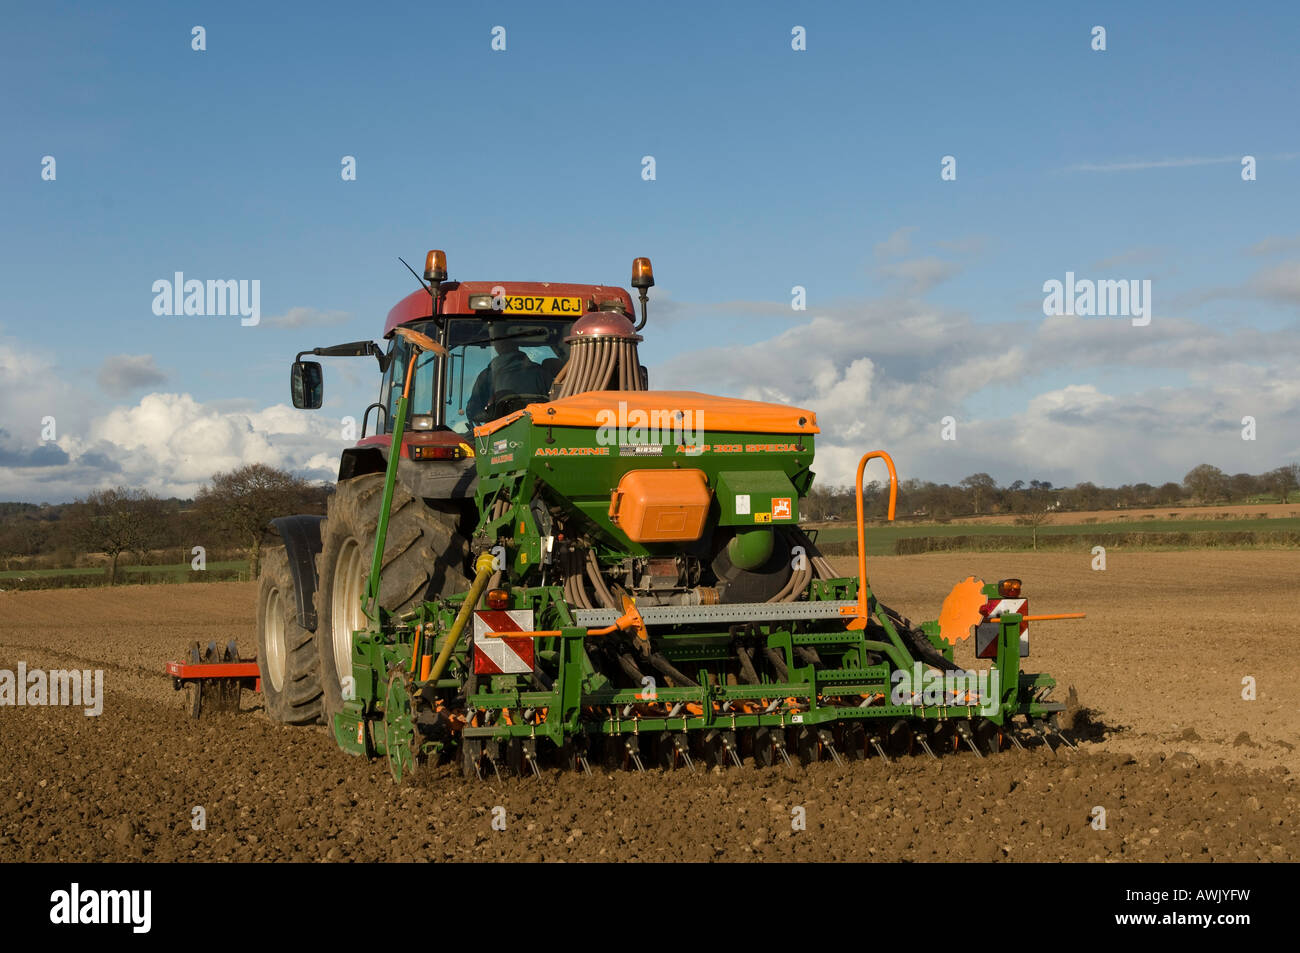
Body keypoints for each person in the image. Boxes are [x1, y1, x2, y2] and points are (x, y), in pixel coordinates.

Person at [465, 326, 553, 424]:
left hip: (495, 436)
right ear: (516, 342)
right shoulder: (541, 373)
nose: (500, 343)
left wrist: (493, 413)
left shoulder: (486, 376)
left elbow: (473, 412)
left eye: (498, 340)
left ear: (496, 345)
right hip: (541, 433)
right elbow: (556, 407)